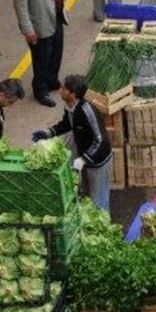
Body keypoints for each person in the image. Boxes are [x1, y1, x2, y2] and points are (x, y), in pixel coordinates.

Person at [31, 74, 113, 210]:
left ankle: (104, 223)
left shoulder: (87, 111)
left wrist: (84, 159)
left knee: (99, 198)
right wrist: (49, 133)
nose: (60, 90)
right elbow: (67, 124)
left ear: (73, 94)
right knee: (86, 193)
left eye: (64, 88)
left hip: (98, 161)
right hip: (84, 156)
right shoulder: (69, 106)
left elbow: (100, 140)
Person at [12, 0, 68, 108]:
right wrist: (27, 29)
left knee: (56, 52)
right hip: (39, 24)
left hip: (56, 17)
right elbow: (20, 5)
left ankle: (52, 80)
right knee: (41, 59)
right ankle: (40, 89)